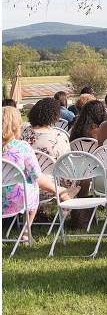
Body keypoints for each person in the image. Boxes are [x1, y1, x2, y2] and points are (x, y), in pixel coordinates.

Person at [2, 106, 64, 239]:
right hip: (17, 199)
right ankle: (26, 232)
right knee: (31, 186)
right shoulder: (22, 147)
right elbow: (35, 175)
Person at [25, 97, 71, 162]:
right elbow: (66, 161)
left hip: (24, 171)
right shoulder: (59, 136)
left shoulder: (21, 131)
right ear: (55, 115)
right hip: (52, 171)